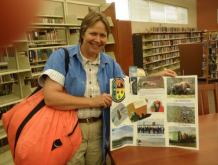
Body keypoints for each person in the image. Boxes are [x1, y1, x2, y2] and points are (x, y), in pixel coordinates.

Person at [38, 11, 176, 165]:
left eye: (102, 35)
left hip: (99, 129)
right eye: (93, 33)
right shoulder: (61, 57)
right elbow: (51, 97)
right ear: (83, 33)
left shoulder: (109, 63)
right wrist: (93, 102)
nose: (98, 40)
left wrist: (156, 77)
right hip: (67, 129)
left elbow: (129, 88)